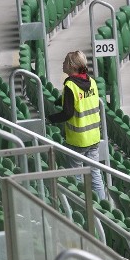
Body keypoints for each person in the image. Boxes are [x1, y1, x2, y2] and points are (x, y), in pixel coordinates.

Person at [48, 51, 106, 200]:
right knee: (95, 174)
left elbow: (68, 113)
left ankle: (80, 207)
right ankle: (103, 204)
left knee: (77, 178)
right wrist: (60, 100)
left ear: (71, 66)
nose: (63, 64)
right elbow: (81, 100)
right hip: (93, 136)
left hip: (78, 139)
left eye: (65, 62)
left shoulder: (70, 85)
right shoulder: (91, 82)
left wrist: (51, 119)